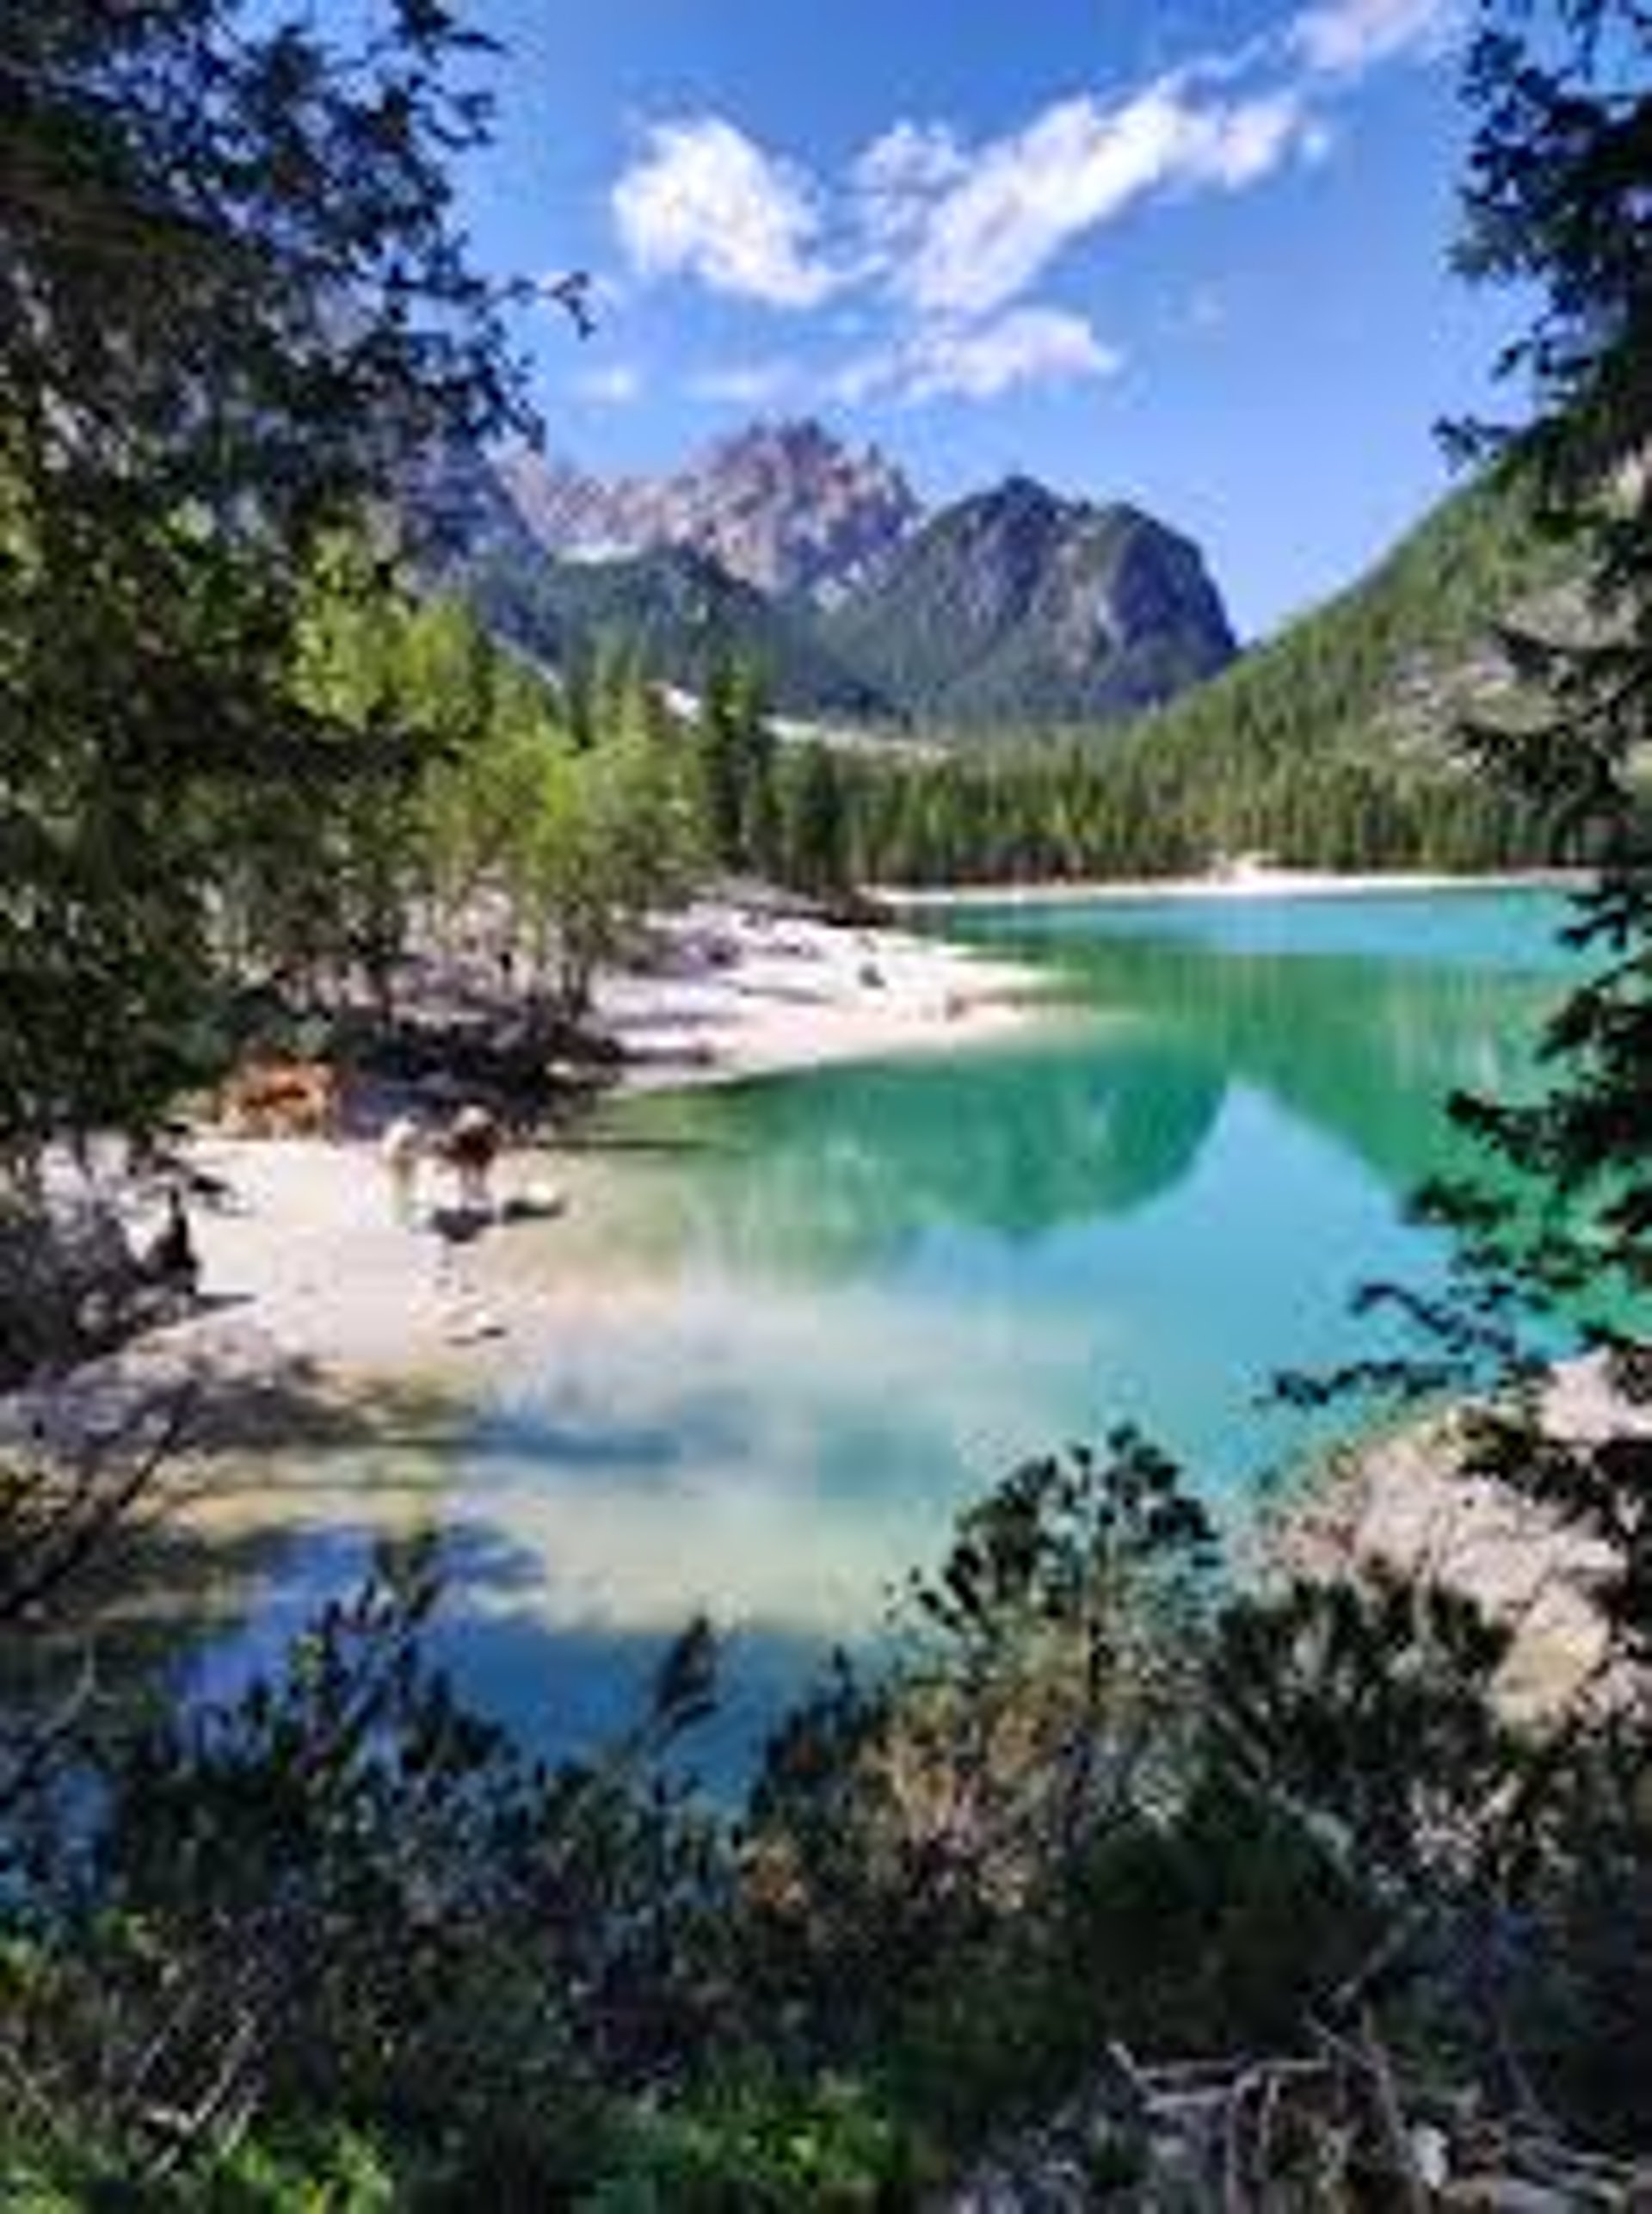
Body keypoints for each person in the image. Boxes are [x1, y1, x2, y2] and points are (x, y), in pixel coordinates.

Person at [379, 1115, 425, 1224]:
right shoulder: (410, 1131)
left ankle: (398, 1214)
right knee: (404, 1188)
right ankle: (402, 1216)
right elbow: (404, 1146)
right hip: (400, 1160)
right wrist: (414, 1154)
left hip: (390, 1158)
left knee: (398, 1188)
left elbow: (388, 1145)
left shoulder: (396, 1127)